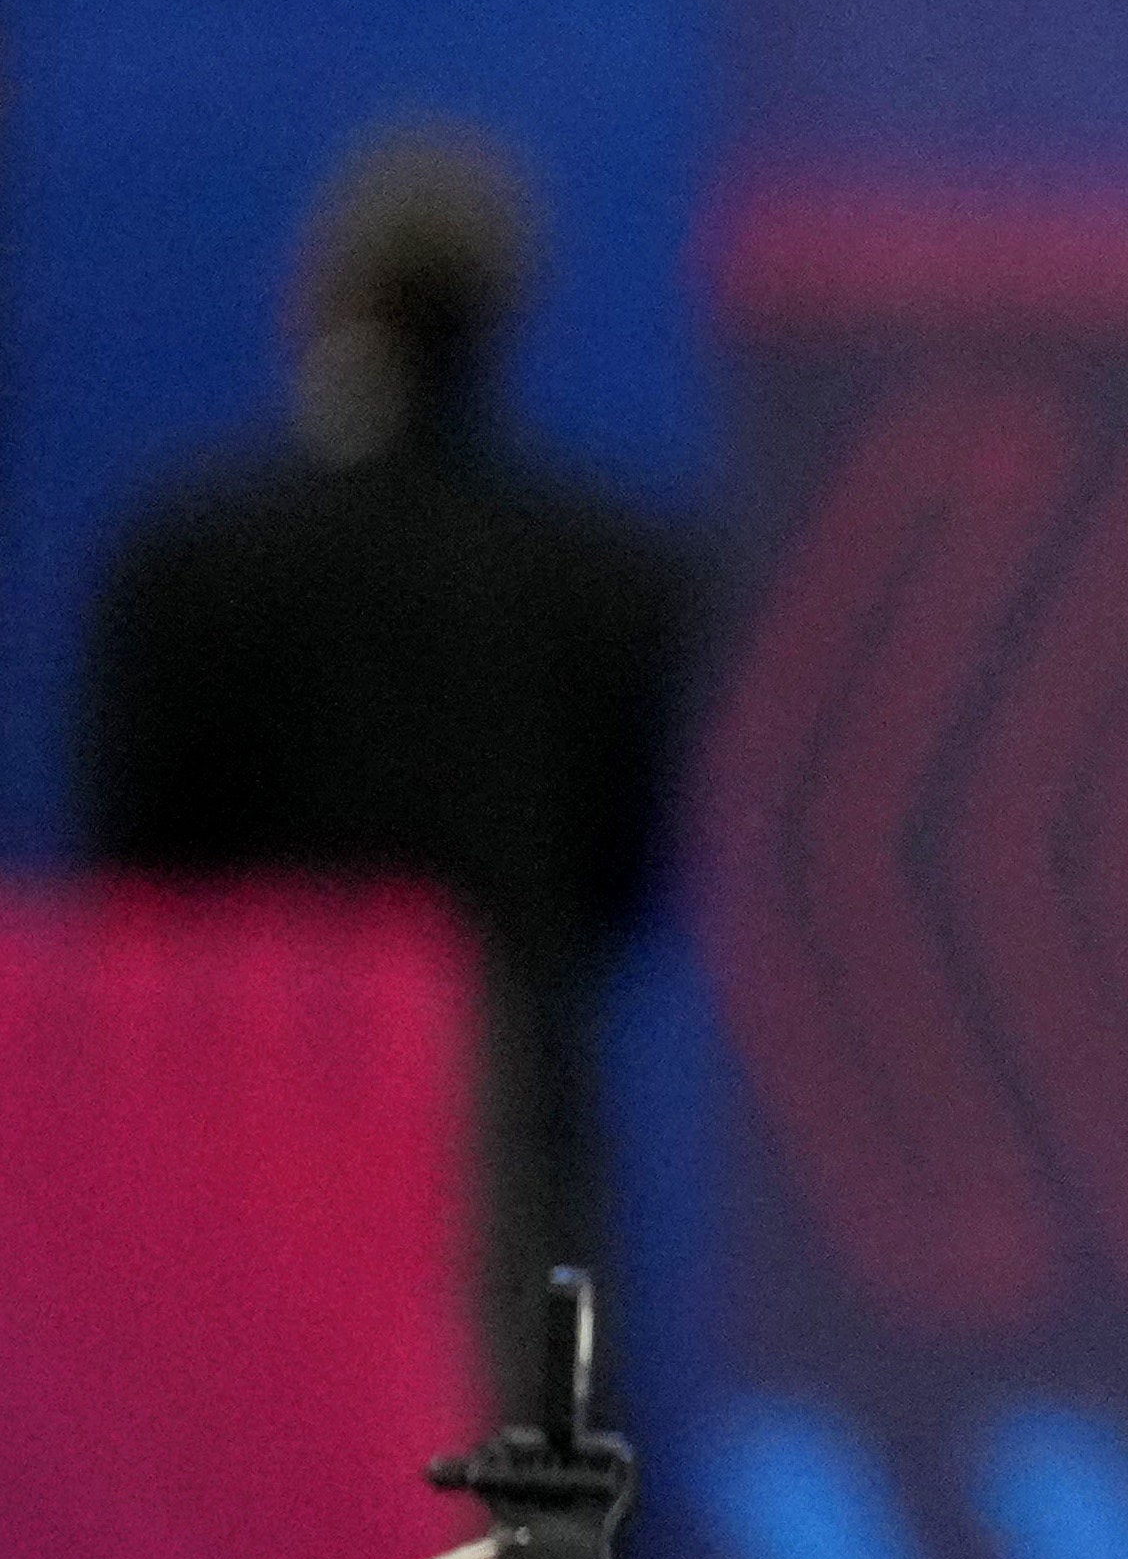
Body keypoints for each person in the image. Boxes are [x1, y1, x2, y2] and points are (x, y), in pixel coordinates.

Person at [82, 122, 691, 1387]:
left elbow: (136, 879)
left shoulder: (193, 570)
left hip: (251, 1143)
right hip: (504, 1130)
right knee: (521, 1470)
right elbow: (620, 882)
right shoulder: (613, 580)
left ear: (328, 295)